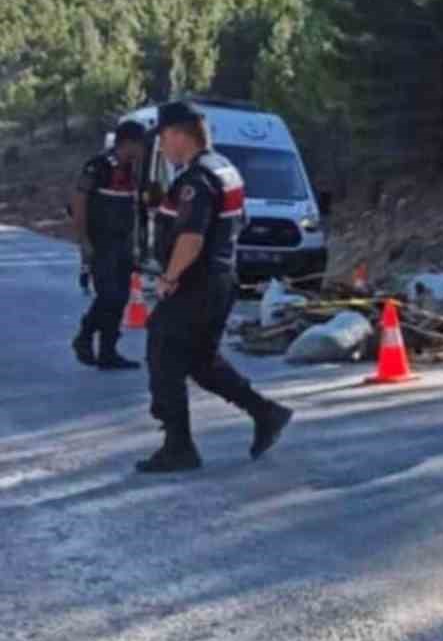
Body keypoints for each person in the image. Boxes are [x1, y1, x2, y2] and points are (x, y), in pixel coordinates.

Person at [136, 101, 292, 474]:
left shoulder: (195, 179)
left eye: (165, 139)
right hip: (220, 280)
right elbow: (239, 222)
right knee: (201, 362)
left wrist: (169, 278)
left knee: (163, 352)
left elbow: (191, 238)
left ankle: (179, 446)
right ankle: (265, 412)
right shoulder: (224, 168)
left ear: (178, 135)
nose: (165, 148)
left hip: (196, 282)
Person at [70, 119, 148, 370]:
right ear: (128, 143)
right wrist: (84, 242)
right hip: (100, 243)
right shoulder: (98, 166)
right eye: (141, 144)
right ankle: (84, 337)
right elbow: (79, 203)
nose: (144, 150)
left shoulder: (132, 171)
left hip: (123, 244)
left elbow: (134, 209)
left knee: (121, 297)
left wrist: (137, 245)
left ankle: (108, 352)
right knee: (108, 295)